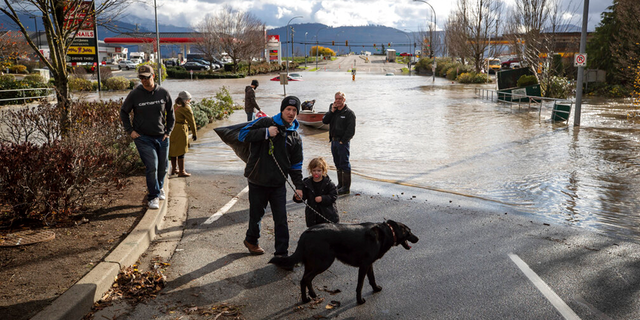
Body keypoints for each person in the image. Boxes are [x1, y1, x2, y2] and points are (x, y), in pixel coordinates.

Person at [238, 96, 304, 257]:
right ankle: (251, 241)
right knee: (256, 215)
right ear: (282, 110)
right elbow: (242, 135)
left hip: (278, 184)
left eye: (294, 110)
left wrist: (299, 187)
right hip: (257, 180)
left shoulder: (295, 137)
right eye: (288, 109)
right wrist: (266, 133)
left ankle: (281, 253)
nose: (291, 113)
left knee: (281, 219)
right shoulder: (266, 122)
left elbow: (296, 165)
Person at [120, 64, 174, 209]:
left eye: (146, 77)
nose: (143, 80)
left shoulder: (163, 93)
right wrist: (130, 130)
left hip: (162, 136)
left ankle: (159, 187)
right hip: (143, 138)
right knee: (152, 166)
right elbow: (123, 112)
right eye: (141, 78)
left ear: (153, 76)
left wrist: (168, 132)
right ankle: (153, 197)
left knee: (163, 167)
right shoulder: (135, 94)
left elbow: (171, 114)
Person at [322, 91, 356, 195]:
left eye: (340, 99)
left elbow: (351, 131)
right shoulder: (333, 111)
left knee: (344, 163)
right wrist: (331, 111)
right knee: (337, 163)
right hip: (333, 141)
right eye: (336, 99)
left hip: (343, 142)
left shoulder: (349, 113)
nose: (338, 101)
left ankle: (346, 187)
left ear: (344, 100)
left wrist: (343, 141)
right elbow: (325, 121)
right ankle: (340, 185)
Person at [294, 157, 339, 227]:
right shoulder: (306, 183)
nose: (316, 173)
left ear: (323, 171)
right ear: (310, 171)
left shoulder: (329, 184)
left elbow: (334, 196)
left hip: (327, 215)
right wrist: (298, 197)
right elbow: (303, 196)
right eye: (314, 170)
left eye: (319, 170)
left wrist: (322, 198)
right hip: (313, 216)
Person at [169, 91, 197, 177]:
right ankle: (182, 171)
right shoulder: (186, 108)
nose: (189, 101)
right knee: (182, 150)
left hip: (172, 128)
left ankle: (174, 169)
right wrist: (194, 133)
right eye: (189, 99)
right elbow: (191, 121)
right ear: (186, 100)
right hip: (181, 129)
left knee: (173, 149)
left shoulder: (174, 106)